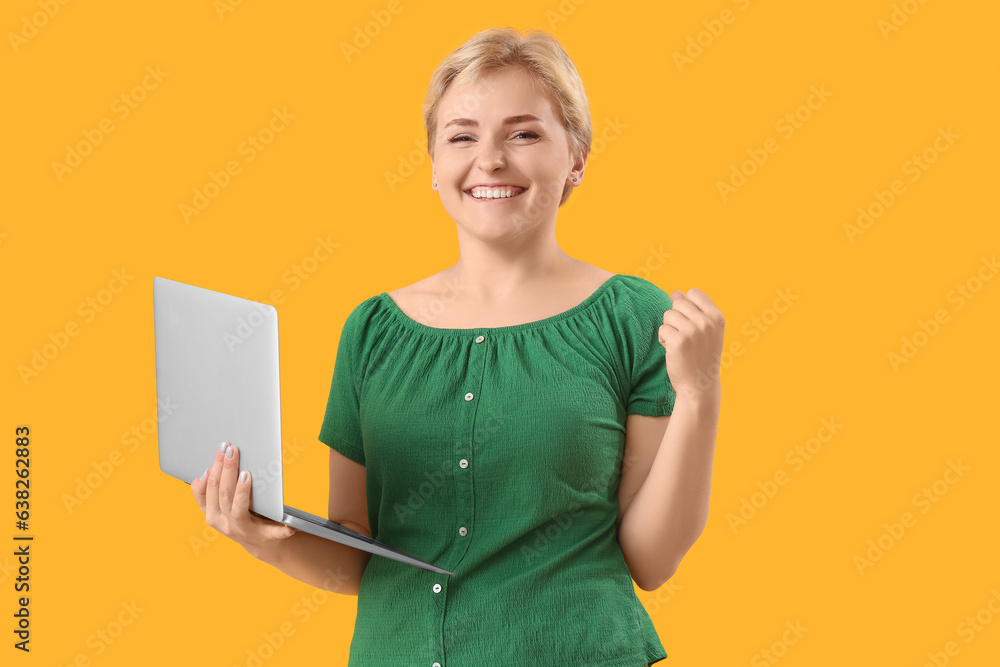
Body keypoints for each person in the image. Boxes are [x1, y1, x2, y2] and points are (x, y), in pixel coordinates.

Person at [190, 27, 723, 666]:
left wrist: (698, 392)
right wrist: (258, 536)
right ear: (435, 166)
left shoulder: (634, 317)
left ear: (576, 157)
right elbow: (353, 556)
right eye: (462, 136)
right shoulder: (372, 331)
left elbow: (651, 559)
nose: (490, 160)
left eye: (523, 134)